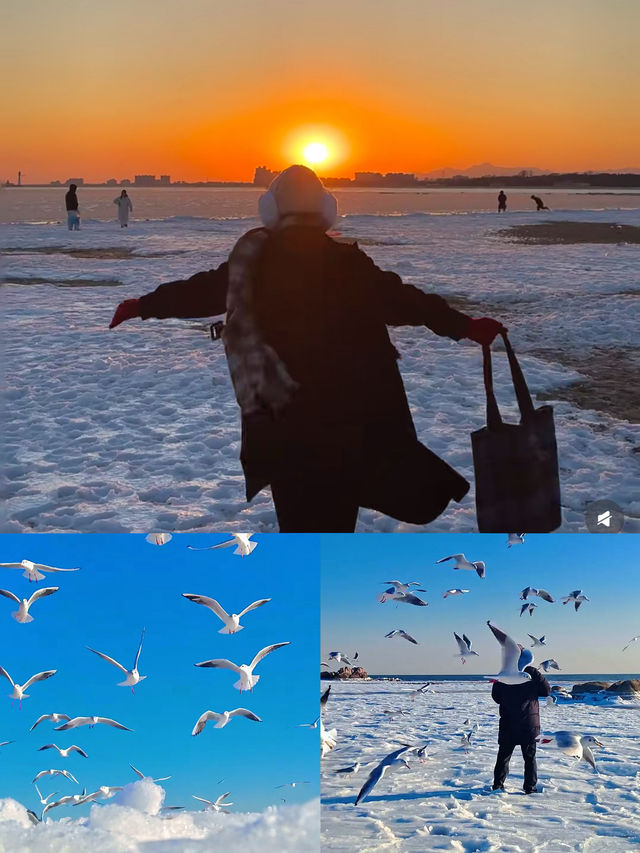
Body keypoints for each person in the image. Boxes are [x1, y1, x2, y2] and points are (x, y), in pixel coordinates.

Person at [109, 164, 505, 532]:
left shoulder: (255, 262)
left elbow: (202, 292)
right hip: (349, 425)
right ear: (324, 208)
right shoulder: (347, 264)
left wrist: (143, 305)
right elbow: (405, 301)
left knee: (300, 524)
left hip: (284, 427)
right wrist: (466, 326)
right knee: (334, 524)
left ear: (271, 209)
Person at [491, 652, 551, 794]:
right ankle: (530, 788)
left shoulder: (506, 673)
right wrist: (536, 673)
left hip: (509, 722)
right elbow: (546, 691)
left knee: (503, 757)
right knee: (529, 758)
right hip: (528, 724)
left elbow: (496, 697)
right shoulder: (532, 674)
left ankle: (498, 786)